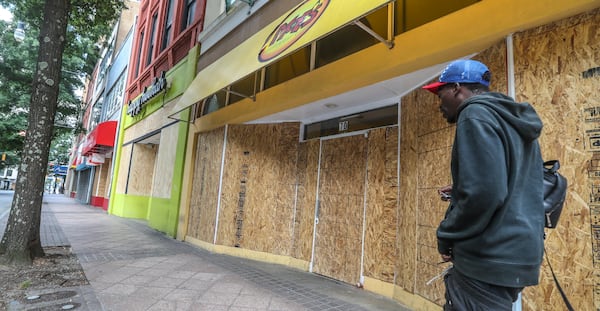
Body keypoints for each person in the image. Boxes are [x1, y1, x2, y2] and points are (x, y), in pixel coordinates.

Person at [422, 59, 545, 310]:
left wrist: (446, 235)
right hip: (516, 253)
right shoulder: (510, 119)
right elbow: (512, 181)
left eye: (440, 93)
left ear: (457, 88)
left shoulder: (474, 114)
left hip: (488, 256)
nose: (439, 104)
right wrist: (460, 188)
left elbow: (485, 193)